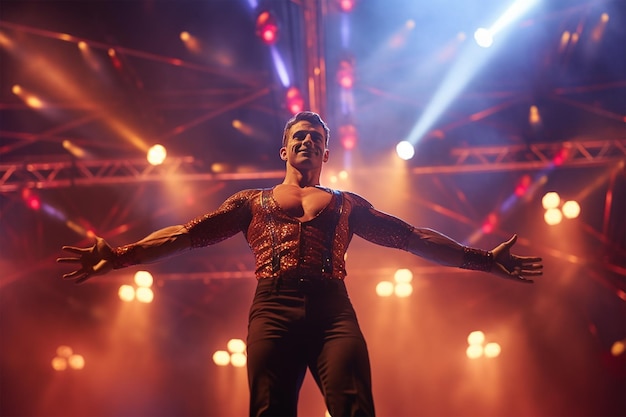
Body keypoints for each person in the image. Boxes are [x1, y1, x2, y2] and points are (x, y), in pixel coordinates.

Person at [57, 111, 543, 417]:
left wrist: (483, 260)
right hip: (272, 307)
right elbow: (186, 234)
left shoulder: (348, 203)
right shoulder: (251, 200)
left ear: (326, 152)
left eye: (315, 137)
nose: (307, 142)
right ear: (285, 149)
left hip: (334, 311)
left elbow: (413, 237)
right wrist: (121, 256)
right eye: (299, 136)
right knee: (270, 410)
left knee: (353, 407)